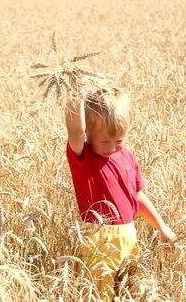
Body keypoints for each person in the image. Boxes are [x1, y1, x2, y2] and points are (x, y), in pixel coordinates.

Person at [65, 83, 176, 299]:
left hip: (129, 237)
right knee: (100, 295)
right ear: (88, 134)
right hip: (98, 241)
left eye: (119, 140)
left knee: (129, 292)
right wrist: (73, 92)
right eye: (105, 141)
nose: (112, 147)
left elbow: (138, 197)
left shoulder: (126, 156)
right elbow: (74, 131)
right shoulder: (84, 158)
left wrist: (162, 228)